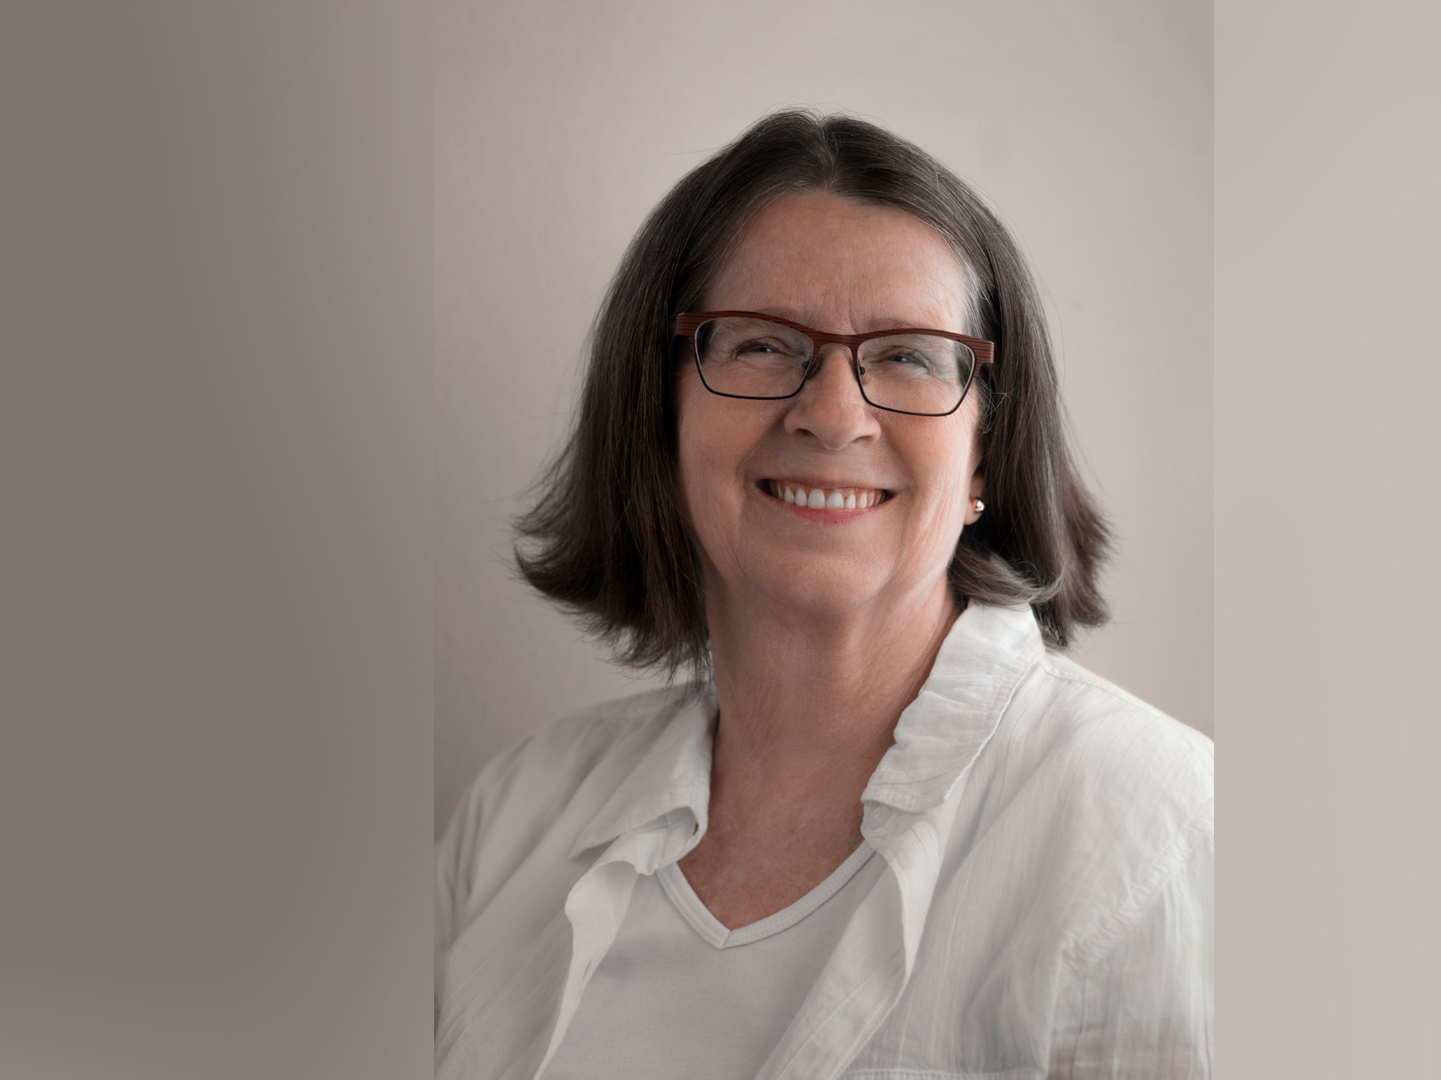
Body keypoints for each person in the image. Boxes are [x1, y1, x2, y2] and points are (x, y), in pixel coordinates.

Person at [435, 110, 1212, 1079]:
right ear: (658, 412)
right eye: (762, 345)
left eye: (908, 354)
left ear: (985, 456)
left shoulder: (1153, 828)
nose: (832, 415)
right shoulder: (512, 819)